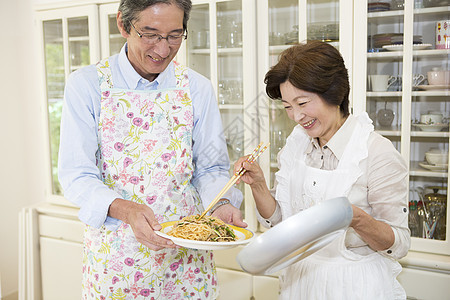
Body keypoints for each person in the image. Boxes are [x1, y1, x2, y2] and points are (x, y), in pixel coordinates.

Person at [58, 0, 246, 298]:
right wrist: (126, 209)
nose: (162, 49)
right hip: (117, 256)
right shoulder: (88, 85)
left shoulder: (197, 88)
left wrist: (220, 205)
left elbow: (210, 168)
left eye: (174, 36)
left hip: (186, 256)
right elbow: (75, 175)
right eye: (150, 34)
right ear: (123, 24)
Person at [234, 41, 410, 299]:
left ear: (334, 92)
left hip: (356, 287)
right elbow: (283, 223)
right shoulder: (296, 147)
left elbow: (399, 242)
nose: (295, 116)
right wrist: (258, 184)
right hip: (300, 283)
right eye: (287, 106)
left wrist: (355, 217)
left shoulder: (376, 153)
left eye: (303, 103)